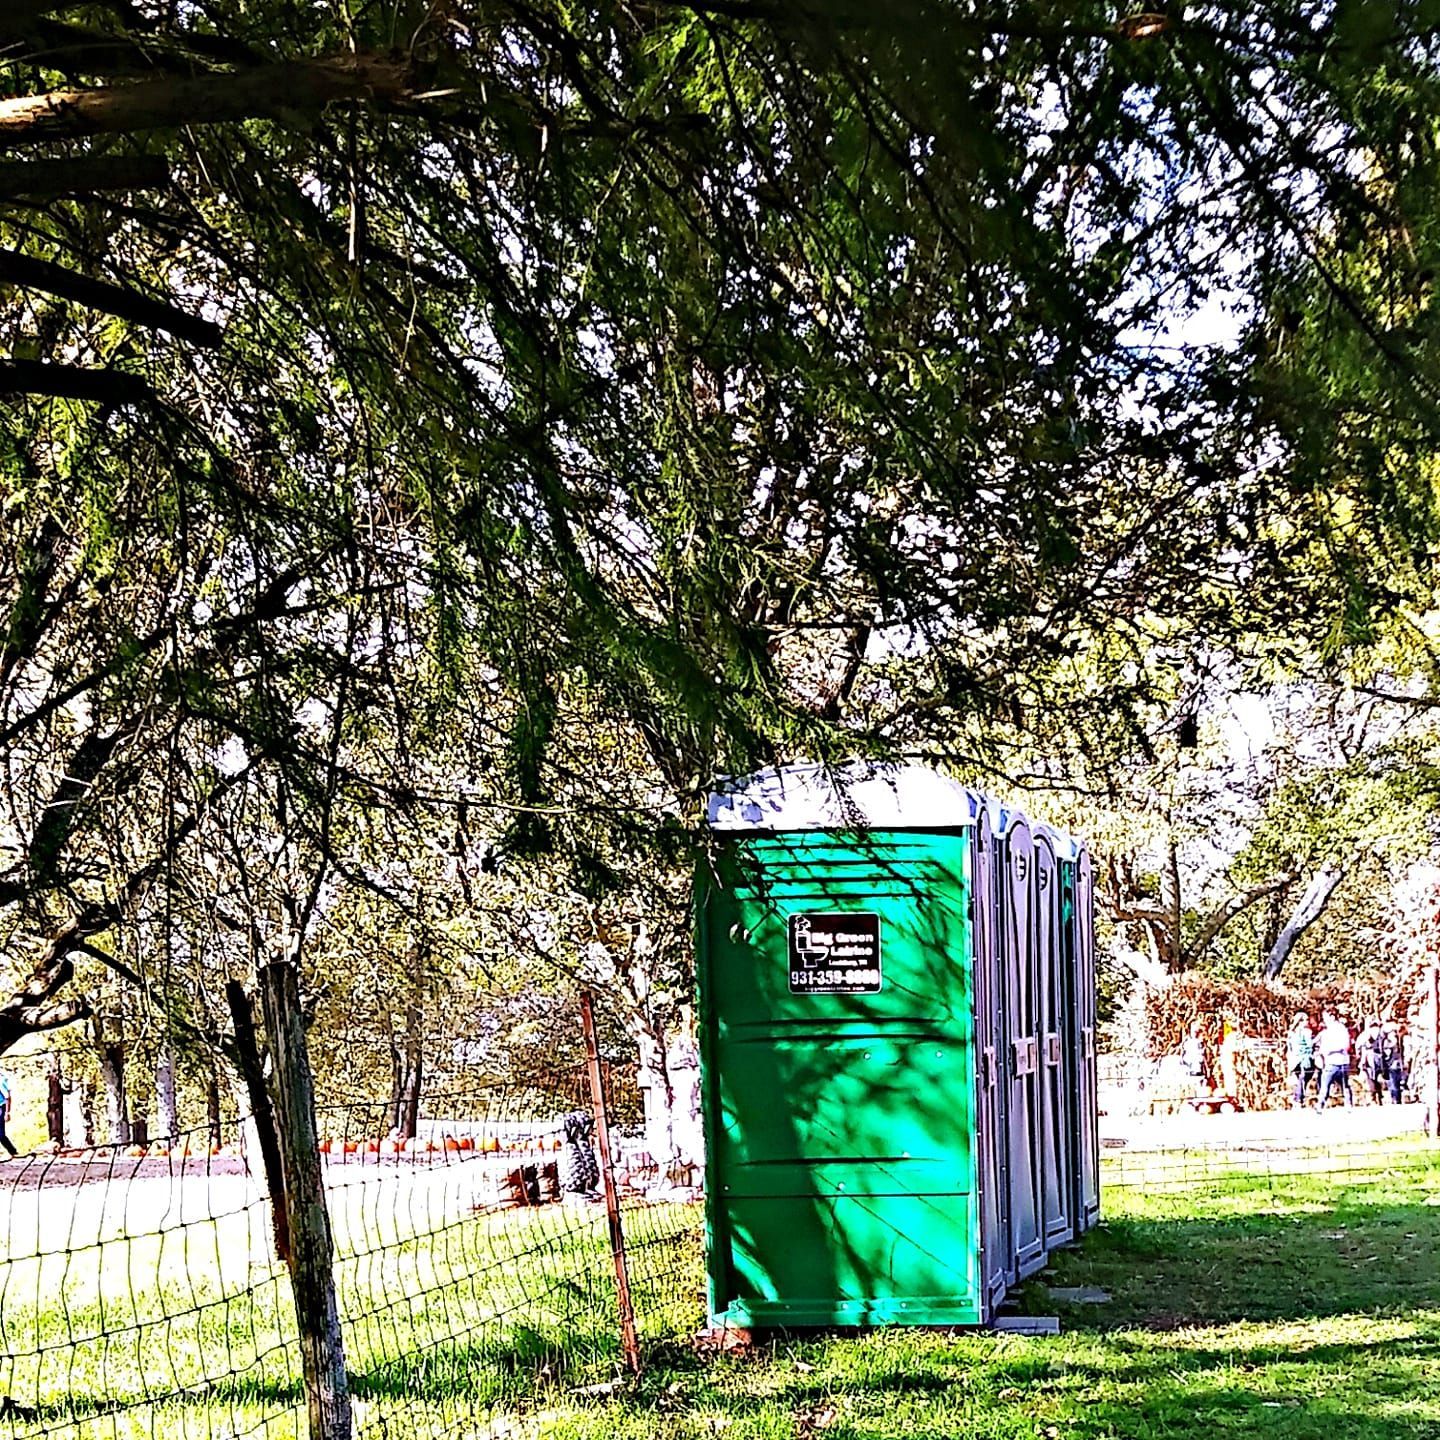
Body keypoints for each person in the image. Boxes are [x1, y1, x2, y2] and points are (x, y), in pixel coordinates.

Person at [1316, 1010, 1354, 1109]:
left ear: (1332, 1017)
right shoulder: (1327, 1031)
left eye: (1326, 1018)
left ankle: (1347, 1104)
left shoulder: (1340, 1029)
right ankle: (1321, 1104)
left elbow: (1345, 1045)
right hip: (1334, 1061)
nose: (1324, 1020)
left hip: (1337, 1061)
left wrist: (1330, 1050)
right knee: (1333, 1085)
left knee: (1340, 1084)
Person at [1286, 1012, 1316, 1109]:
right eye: (1306, 1020)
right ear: (1300, 1021)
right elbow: (1309, 1045)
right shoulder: (1307, 1032)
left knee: (1300, 1079)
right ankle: (1298, 1099)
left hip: (1294, 1059)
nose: (1307, 1022)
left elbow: (1289, 1047)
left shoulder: (1291, 1033)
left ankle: (1298, 1098)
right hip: (1305, 1058)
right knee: (1304, 1079)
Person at [1358, 1016, 1388, 1104]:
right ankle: (1379, 1095)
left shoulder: (1366, 1033)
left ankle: (1373, 1097)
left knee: (1370, 1077)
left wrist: (1360, 1056)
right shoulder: (1381, 1032)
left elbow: (1358, 1045)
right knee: (1378, 1075)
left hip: (1368, 1055)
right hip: (1379, 1056)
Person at [1381, 1023, 1406, 1105]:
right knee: (1394, 1083)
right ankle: (1395, 1099)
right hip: (1393, 1064)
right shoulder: (1390, 1042)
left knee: (1395, 1083)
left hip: (1394, 1064)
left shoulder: (1394, 1041)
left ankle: (1396, 1099)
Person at [1180, 1023, 1206, 1089]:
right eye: (1194, 1031)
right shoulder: (1187, 1041)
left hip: (1197, 1061)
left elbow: (1202, 1053)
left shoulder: (1199, 1041)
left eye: (1196, 1032)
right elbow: (1183, 1050)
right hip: (1188, 1061)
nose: (1195, 1033)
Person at [0, 1070, 17, 1157]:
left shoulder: (1, 1081)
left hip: (1, 1107)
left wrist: (7, 1112)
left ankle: (13, 1151)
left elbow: (7, 1097)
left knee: (1, 1135)